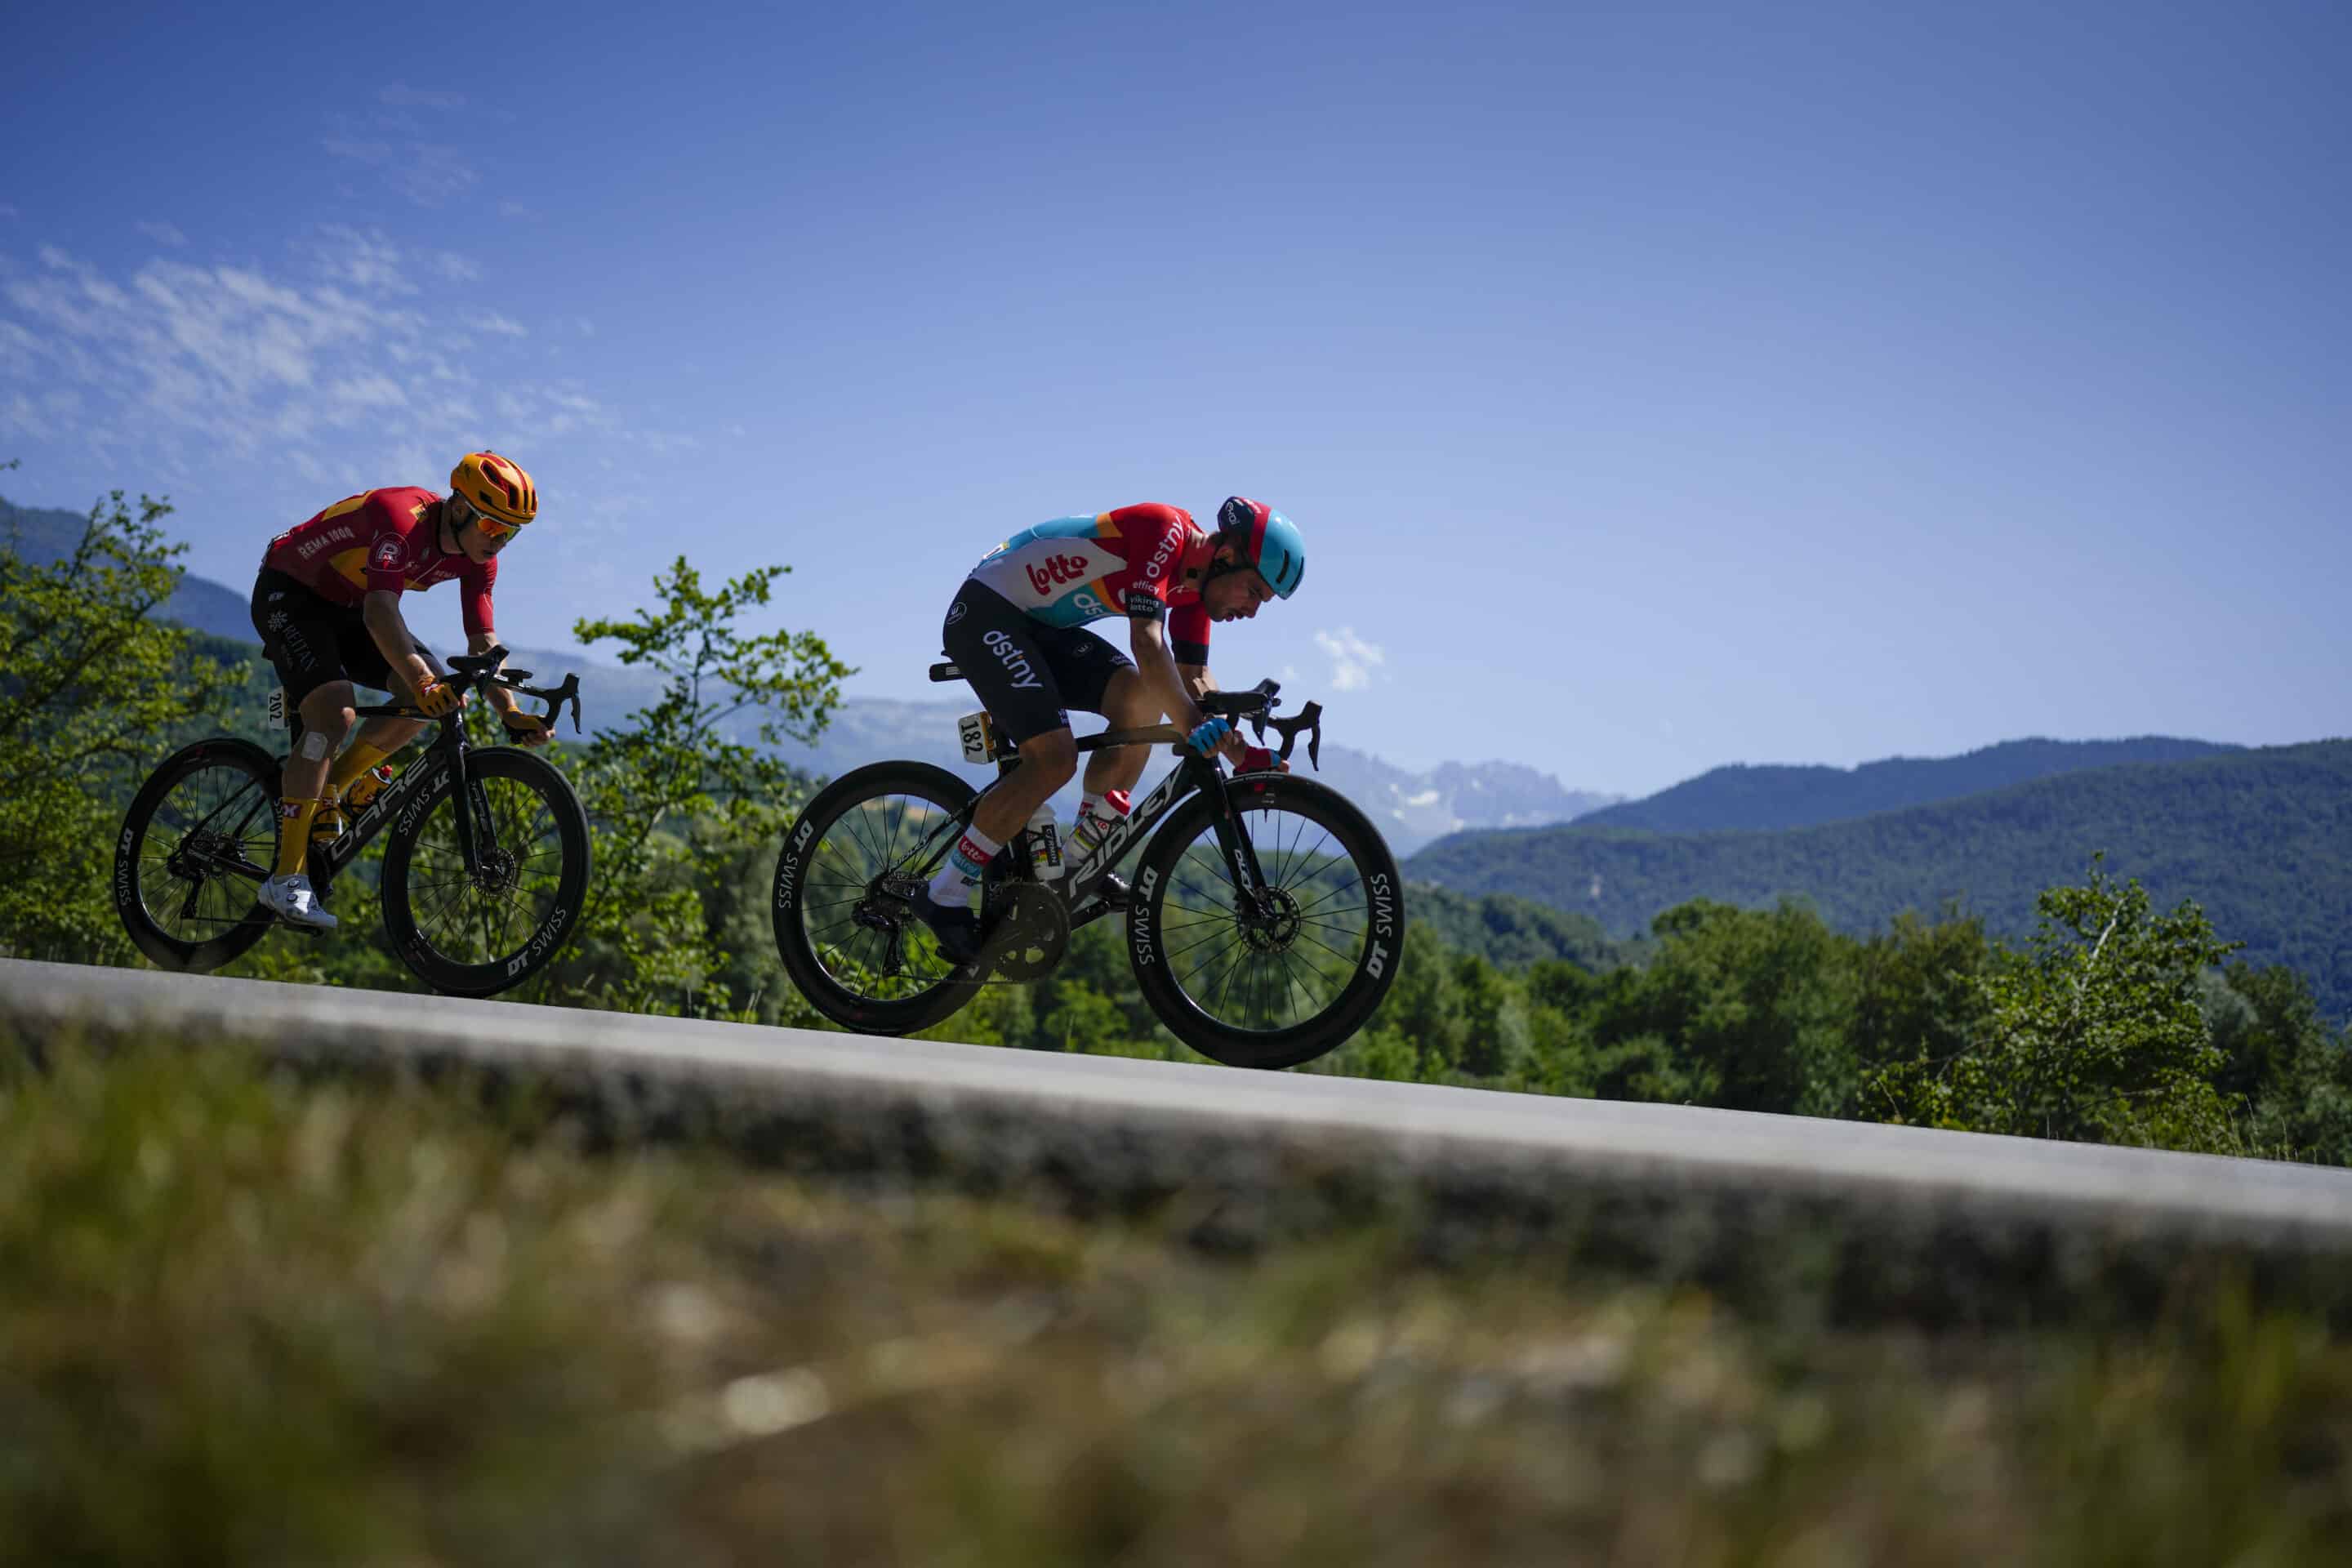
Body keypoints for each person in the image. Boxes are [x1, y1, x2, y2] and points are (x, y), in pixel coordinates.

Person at [922, 496, 1307, 960]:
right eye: (1255, 592)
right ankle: (944, 894)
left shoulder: (1194, 591)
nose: (1252, 611)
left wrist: (1241, 750)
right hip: (988, 613)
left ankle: (1079, 861)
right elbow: (1147, 644)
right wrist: (1193, 725)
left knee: (1143, 701)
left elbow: (1193, 681)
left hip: (1040, 628)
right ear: (1226, 556)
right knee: (1054, 759)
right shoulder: (1166, 532)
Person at [248, 451, 553, 930]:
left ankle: (330, 786)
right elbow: (380, 614)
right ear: (458, 507)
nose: (498, 543)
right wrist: (422, 680)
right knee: (335, 712)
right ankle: (286, 879)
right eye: (492, 527)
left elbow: (482, 644)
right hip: (291, 591)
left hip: (350, 605)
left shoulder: (477, 560)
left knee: (442, 699)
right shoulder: (401, 519)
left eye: (509, 534)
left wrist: (510, 711)